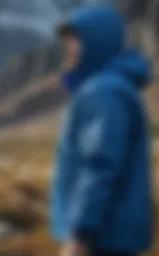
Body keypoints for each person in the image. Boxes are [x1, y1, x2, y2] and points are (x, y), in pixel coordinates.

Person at [50, 3, 154, 256]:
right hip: (111, 236)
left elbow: (100, 164)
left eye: (75, 41)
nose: (69, 50)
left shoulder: (104, 91)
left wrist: (79, 232)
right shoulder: (110, 87)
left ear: (97, 42)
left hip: (102, 240)